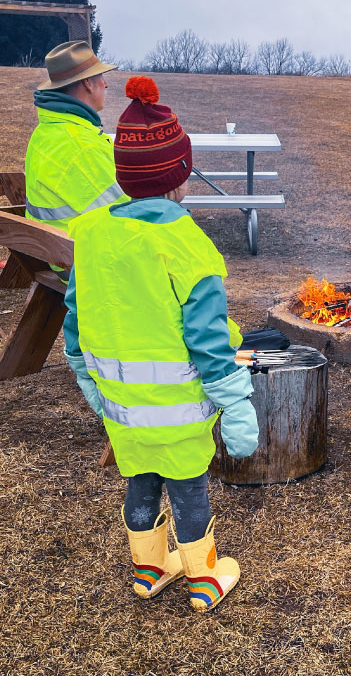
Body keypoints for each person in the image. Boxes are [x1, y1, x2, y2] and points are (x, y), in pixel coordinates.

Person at [62, 76, 258, 612]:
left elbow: (75, 314)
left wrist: (83, 374)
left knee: (141, 481)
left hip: (119, 407)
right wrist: (237, 405)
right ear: (181, 177)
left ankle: (149, 568)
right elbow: (208, 341)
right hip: (178, 411)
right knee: (188, 487)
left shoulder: (93, 232)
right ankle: (203, 575)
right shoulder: (189, 246)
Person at [25, 41, 127, 231]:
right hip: (78, 256)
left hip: (54, 250)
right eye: (101, 76)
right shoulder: (81, 145)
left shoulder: (47, 130)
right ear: (88, 83)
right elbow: (125, 217)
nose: (106, 84)